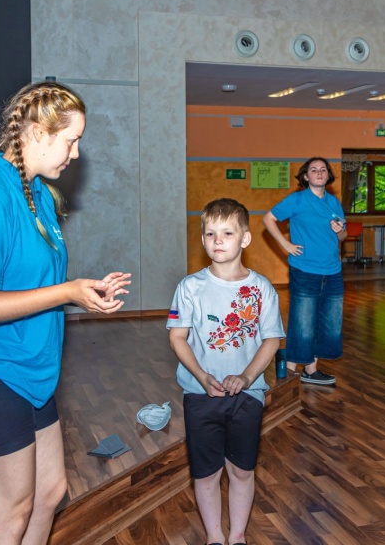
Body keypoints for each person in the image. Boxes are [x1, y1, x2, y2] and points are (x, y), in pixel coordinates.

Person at [0, 81, 132, 545]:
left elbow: (32, 284)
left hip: (30, 375)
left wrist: (81, 292)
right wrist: (67, 292)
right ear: (38, 132)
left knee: (49, 494)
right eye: (71, 140)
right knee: (10, 513)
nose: (76, 154)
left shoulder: (39, 193)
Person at [167, 198, 284, 545]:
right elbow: (177, 338)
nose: (217, 240)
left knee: (241, 471)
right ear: (203, 239)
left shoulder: (261, 289)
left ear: (245, 239)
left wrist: (246, 377)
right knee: (206, 474)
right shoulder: (189, 287)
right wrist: (202, 377)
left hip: (248, 396)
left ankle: (237, 536)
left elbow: (272, 340)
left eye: (227, 233)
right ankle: (215, 536)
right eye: (210, 233)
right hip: (200, 395)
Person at [263, 157, 346, 386]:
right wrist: (286, 244)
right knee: (303, 321)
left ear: (328, 175)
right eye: (313, 170)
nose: (319, 172)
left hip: (333, 271)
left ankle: (311, 369)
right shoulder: (297, 200)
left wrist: (339, 231)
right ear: (306, 176)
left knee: (327, 322)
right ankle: (289, 371)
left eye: (323, 169)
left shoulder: (333, 203)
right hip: (305, 270)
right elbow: (268, 218)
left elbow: (343, 236)